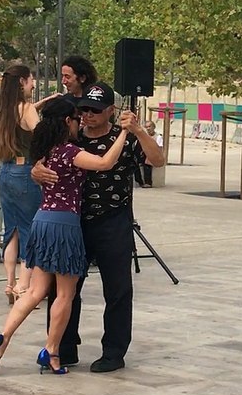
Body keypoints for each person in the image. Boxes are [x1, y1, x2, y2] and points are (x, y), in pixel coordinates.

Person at [0, 97, 130, 376]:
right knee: (65, 294)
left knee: (36, 292)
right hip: (65, 225)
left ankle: (1, 339)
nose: (80, 122)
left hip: (41, 221)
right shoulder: (68, 151)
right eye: (76, 118)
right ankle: (51, 351)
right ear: (67, 122)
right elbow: (105, 162)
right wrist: (124, 132)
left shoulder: (44, 152)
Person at [32, 81, 165, 373]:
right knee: (64, 288)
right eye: (84, 110)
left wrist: (139, 130)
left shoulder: (125, 138)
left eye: (95, 110)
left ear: (111, 111)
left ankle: (114, 352)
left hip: (113, 219)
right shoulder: (71, 138)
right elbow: (41, 161)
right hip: (73, 222)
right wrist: (35, 171)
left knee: (117, 289)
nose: (88, 115)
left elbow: (157, 160)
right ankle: (62, 348)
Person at [0, 64, 43, 305]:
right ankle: (25, 287)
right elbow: (40, 134)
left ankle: (10, 283)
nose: (33, 84)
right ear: (22, 81)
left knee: (10, 230)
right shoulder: (27, 108)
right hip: (25, 172)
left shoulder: (4, 110)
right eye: (31, 80)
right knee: (29, 230)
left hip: (6, 170)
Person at [134, 119, 160, 188]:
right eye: (147, 127)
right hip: (143, 154)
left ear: (154, 127)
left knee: (147, 164)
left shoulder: (158, 137)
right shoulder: (144, 136)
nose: (148, 129)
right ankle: (139, 181)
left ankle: (148, 182)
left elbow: (159, 148)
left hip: (152, 155)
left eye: (149, 126)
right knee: (134, 163)